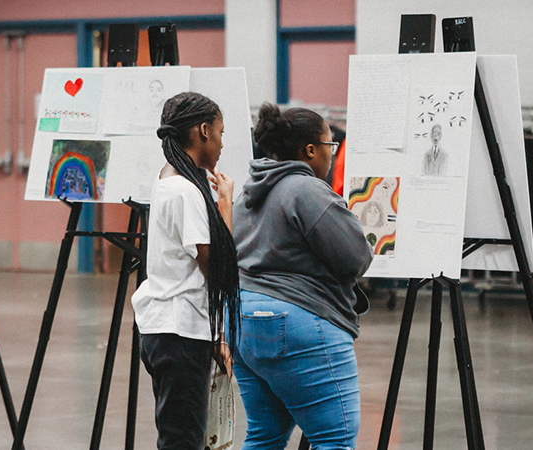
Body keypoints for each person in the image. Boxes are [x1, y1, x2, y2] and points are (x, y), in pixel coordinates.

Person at [231, 103, 373, 449]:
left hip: (242, 322)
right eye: (330, 146)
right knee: (334, 439)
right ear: (311, 150)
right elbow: (356, 256)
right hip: (299, 322)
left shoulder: (247, 194)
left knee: (265, 435)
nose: (332, 156)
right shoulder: (307, 190)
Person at [131, 92, 240, 450]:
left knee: (181, 437)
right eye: (221, 133)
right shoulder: (184, 192)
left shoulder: (168, 178)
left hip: (172, 328)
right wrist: (226, 205)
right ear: (204, 130)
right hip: (177, 335)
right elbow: (220, 269)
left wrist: (215, 336)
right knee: (182, 442)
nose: (223, 143)